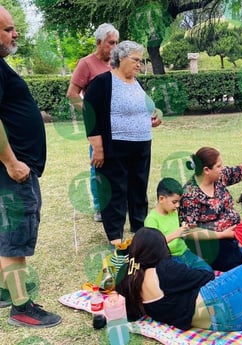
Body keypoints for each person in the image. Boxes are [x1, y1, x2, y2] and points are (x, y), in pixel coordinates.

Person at [0, 6, 61, 327]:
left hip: (14, 167)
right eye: (8, 29)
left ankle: (5, 290)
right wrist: (11, 162)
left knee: (6, 230)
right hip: (14, 170)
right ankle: (21, 307)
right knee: (15, 235)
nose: (16, 33)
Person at [83, 40, 162, 246]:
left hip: (142, 144)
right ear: (121, 58)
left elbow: (148, 108)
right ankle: (115, 236)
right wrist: (98, 148)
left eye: (141, 60)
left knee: (138, 187)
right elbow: (89, 114)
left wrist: (155, 116)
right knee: (115, 189)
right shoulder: (103, 82)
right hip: (114, 146)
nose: (139, 64)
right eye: (135, 60)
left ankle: (139, 228)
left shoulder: (136, 83)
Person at [67, 23, 119, 223]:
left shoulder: (117, 63)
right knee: (98, 165)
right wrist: (92, 114)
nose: (114, 47)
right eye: (110, 43)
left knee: (118, 165)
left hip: (118, 126)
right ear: (99, 43)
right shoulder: (86, 64)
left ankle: (117, 202)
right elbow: (72, 94)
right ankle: (100, 207)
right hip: (98, 128)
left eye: (116, 42)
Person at [144, 177, 213, 272]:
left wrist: (185, 228)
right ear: (161, 199)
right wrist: (176, 234)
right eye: (174, 202)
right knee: (188, 276)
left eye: (179, 201)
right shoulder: (152, 219)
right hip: (168, 258)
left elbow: (179, 228)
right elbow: (153, 246)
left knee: (207, 270)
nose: (178, 205)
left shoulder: (173, 211)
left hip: (184, 252)